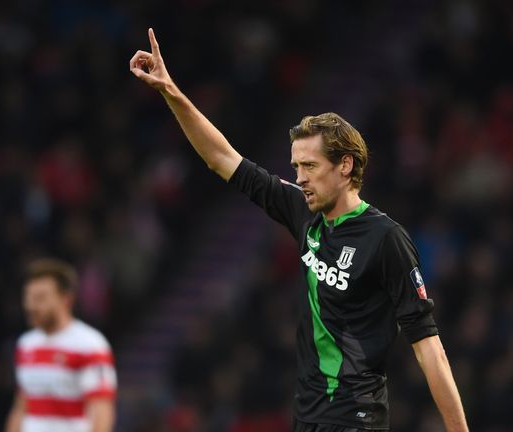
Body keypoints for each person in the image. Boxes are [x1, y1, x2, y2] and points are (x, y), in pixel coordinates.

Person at [130, 28, 468, 432]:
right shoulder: (303, 213)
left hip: (356, 420)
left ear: (345, 166)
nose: (300, 178)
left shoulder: (386, 240)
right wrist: (172, 92)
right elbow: (222, 158)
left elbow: (430, 350)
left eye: (310, 166)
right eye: (296, 167)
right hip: (307, 418)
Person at [5, 258, 117, 432]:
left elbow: (101, 412)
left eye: (40, 298)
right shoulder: (26, 345)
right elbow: (21, 407)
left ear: (66, 299)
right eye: (28, 297)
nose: (31, 305)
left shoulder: (90, 345)